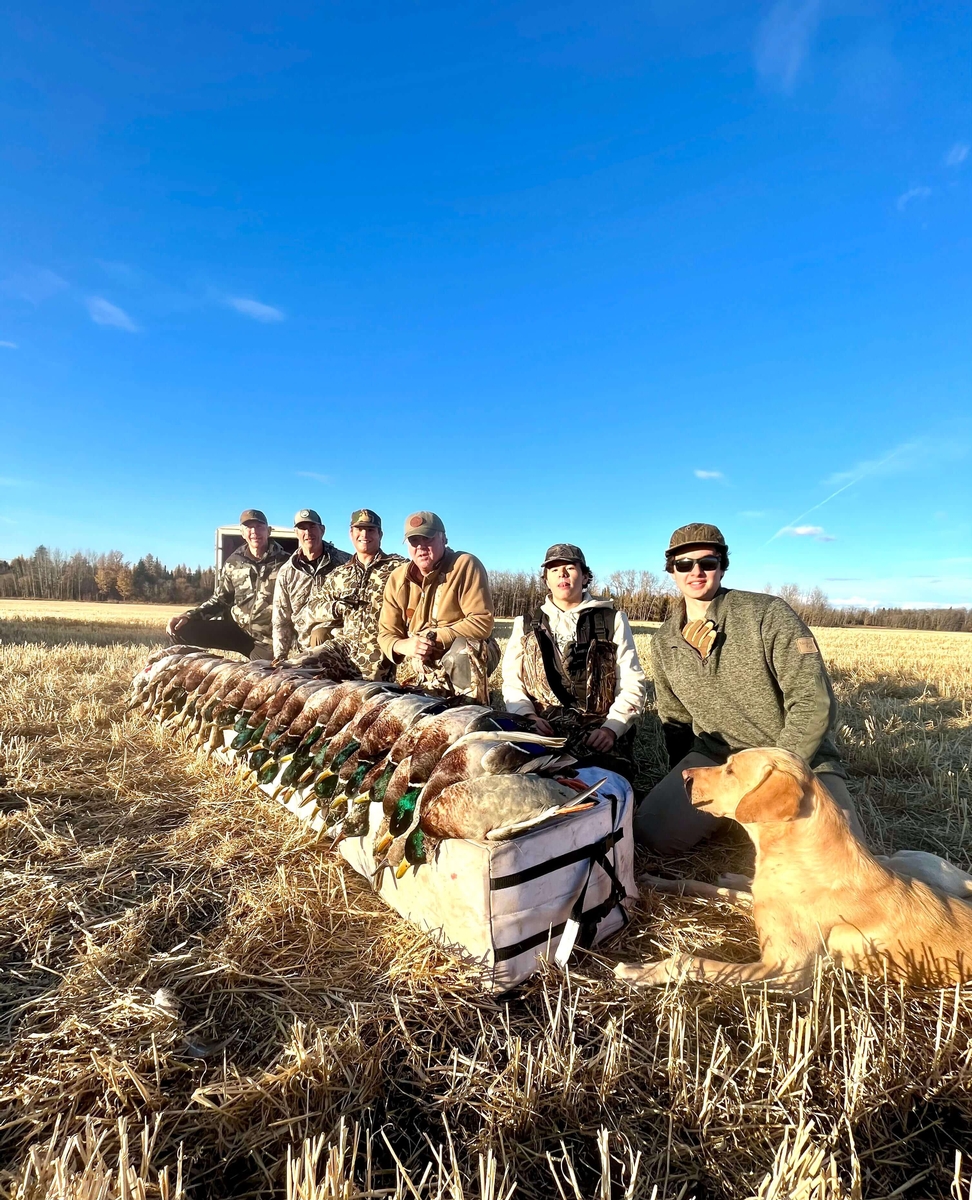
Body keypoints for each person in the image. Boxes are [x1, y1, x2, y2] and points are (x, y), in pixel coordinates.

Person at [633, 522, 864, 855]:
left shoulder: (767, 614)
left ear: (722, 566)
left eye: (707, 562)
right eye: (684, 564)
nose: (696, 571)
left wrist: (775, 776)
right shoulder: (663, 641)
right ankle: (733, 816)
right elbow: (675, 719)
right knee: (651, 833)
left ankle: (747, 812)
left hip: (792, 759)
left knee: (839, 855)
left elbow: (813, 702)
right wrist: (683, 782)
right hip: (718, 758)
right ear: (671, 570)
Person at [501, 543, 646, 772]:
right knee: (518, 776)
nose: (562, 573)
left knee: (602, 780)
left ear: (585, 577)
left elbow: (632, 683)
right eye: (554, 569)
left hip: (597, 730)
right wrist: (527, 717)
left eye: (570, 567)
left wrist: (612, 728)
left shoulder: (613, 620)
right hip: (541, 727)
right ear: (546, 580)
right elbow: (512, 683)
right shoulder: (525, 624)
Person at [378, 511, 499, 703]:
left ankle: (475, 709)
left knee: (463, 650)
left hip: (469, 652)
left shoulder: (465, 565)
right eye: (414, 541)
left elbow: (482, 622)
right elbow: (386, 634)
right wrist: (404, 645)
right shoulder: (397, 579)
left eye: (427, 538)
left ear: (443, 539)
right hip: (426, 660)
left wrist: (434, 637)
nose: (420, 547)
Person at [167, 509, 289, 660]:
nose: (254, 532)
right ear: (242, 533)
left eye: (259, 527)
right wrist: (189, 616)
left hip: (267, 641)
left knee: (267, 673)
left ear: (268, 531)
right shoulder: (233, 562)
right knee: (179, 630)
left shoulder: (286, 563)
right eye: (249, 527)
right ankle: (188, 669)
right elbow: (220, 600)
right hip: (237, 631)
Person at [305, 509, 405, 680]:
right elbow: (312, 607)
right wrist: (336, 607)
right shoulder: (341, 574)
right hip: (343, 651)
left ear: (380, 534)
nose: (364, 534)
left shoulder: (399, 569)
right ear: (351, 533)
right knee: (302, 670)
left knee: (367, 694)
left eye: (370, 530)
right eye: (359, 529)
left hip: (378, 658)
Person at [272, 509, 350, 660]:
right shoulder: (287, 572)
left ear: (322, 530)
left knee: (320, 634)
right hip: (304, 650)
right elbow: (281, 620)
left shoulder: (345, 563)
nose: (308, 532)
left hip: (342, 644)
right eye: (302, 528)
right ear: (296, 532)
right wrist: (280, 657)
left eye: (312, 527)